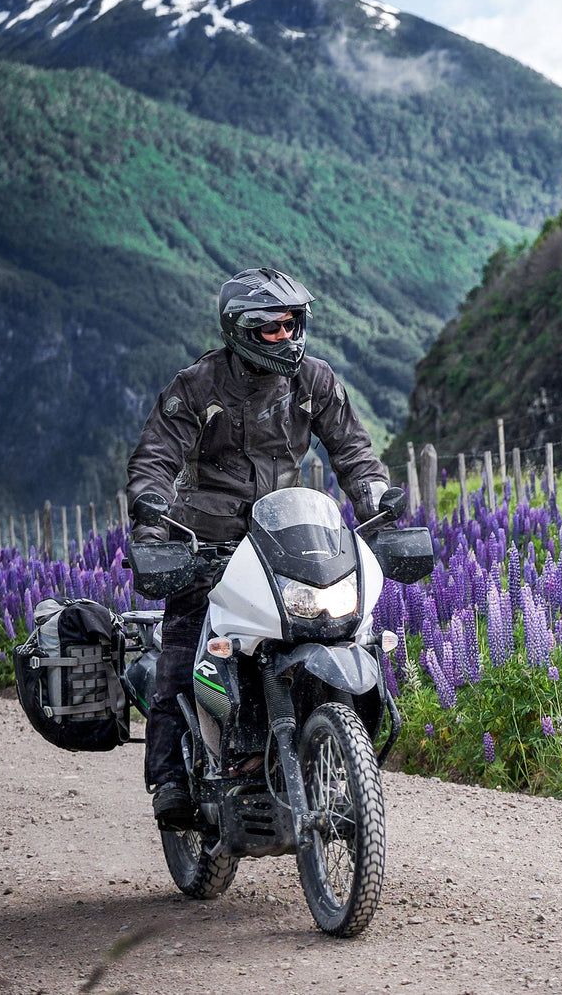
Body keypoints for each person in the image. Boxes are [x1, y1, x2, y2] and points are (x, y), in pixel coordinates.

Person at [126, 266, 389, 829]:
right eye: (273, 329)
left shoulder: (313, 381)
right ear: (241, 329)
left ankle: (335, 738)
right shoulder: (197, 387)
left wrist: (377, 504)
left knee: (344, 624)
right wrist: (151, 518)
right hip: (211, 543)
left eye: (294, 325)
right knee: (185, 641)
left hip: (286, 537)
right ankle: (169, 774)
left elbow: (355, 452)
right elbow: (155, 459)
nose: (288, 338)